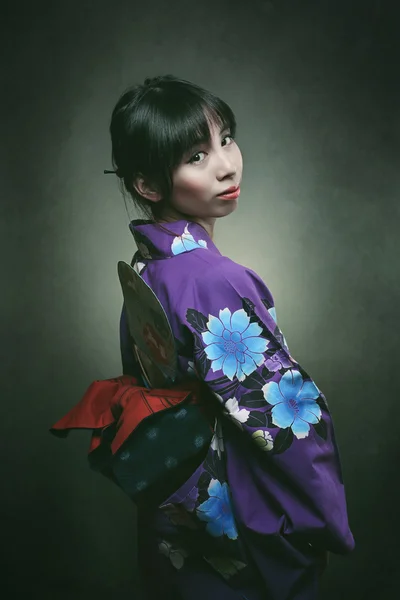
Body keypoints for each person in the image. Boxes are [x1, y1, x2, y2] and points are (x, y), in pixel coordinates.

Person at [56, 75, 355, 600]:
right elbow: (286, 420)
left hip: (181, 516)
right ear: (148, 185)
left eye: (226, 138)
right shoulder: (212, 280)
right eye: (196, 155)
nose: (226, 163)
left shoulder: (149, 273)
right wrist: (323, 518)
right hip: (240, 518)